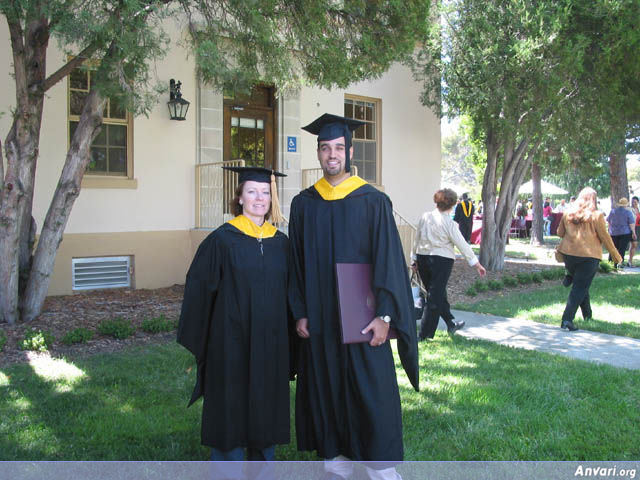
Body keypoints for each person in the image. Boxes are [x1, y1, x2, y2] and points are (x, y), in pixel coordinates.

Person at [289, 113, 419, 479]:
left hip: (363, 316)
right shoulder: (304, 205)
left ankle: (381, 467)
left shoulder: (372, 201)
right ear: (318, 152)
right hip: (321, 317)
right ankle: (336, 462)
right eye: (326, 148)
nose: (332, 154)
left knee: (370, 389)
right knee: (326, 385)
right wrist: (300, 310)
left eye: (339, 148)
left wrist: (386, 315)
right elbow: (296, 262)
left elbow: (390, 262)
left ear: (349, 151)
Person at [177, 166, 291, 461]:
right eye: (252, 191)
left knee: (265, 410)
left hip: (270, 346)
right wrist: (208, 342)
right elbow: (199, 293)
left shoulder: (281, 244)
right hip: (230, 346)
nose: (259, 198)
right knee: (230, 409)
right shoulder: (221, 241)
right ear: (239, 197)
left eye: (265, 192)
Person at [411, 189, 486, 340]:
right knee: (434, 298)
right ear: (452, 204)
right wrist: (476, 263)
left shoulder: (425, 217)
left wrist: (414, 258)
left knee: (437, 294)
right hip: (442, 261)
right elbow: (462, 243)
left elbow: (416, 237)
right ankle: (424, 335)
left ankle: (451, 322)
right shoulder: (449, 223)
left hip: (423, 258)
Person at [556, 187, 621, 331]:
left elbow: (559, 233)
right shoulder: (596, 216)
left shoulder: (568, 214)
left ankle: (588, 316)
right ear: (594, 200)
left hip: (569, 255)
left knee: (581, 284)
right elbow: (605, 238)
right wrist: (616, 256)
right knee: (579, 287)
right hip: (589, 256)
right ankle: (567, 320)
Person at [606, 197, 636, 268]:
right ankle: (619, 263)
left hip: (613, 233)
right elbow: (631, 224)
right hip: (625, 233)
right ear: (626, 205)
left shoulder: (613, 211)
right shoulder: (628, 212)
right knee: (622, 249)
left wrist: (609, 230)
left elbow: (609, 221)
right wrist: (634, 233)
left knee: (613, 247)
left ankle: (610, 261)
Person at [628, 196, 640, 267]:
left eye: (635, 202)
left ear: (638, 202)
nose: (633, 203)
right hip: (633, 227)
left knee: (633, 245)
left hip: (638, 227)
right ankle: (630, 261)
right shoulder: (629, 209)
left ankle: (630, 261)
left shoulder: (639, 209)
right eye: (632, 202)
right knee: (634, 244)